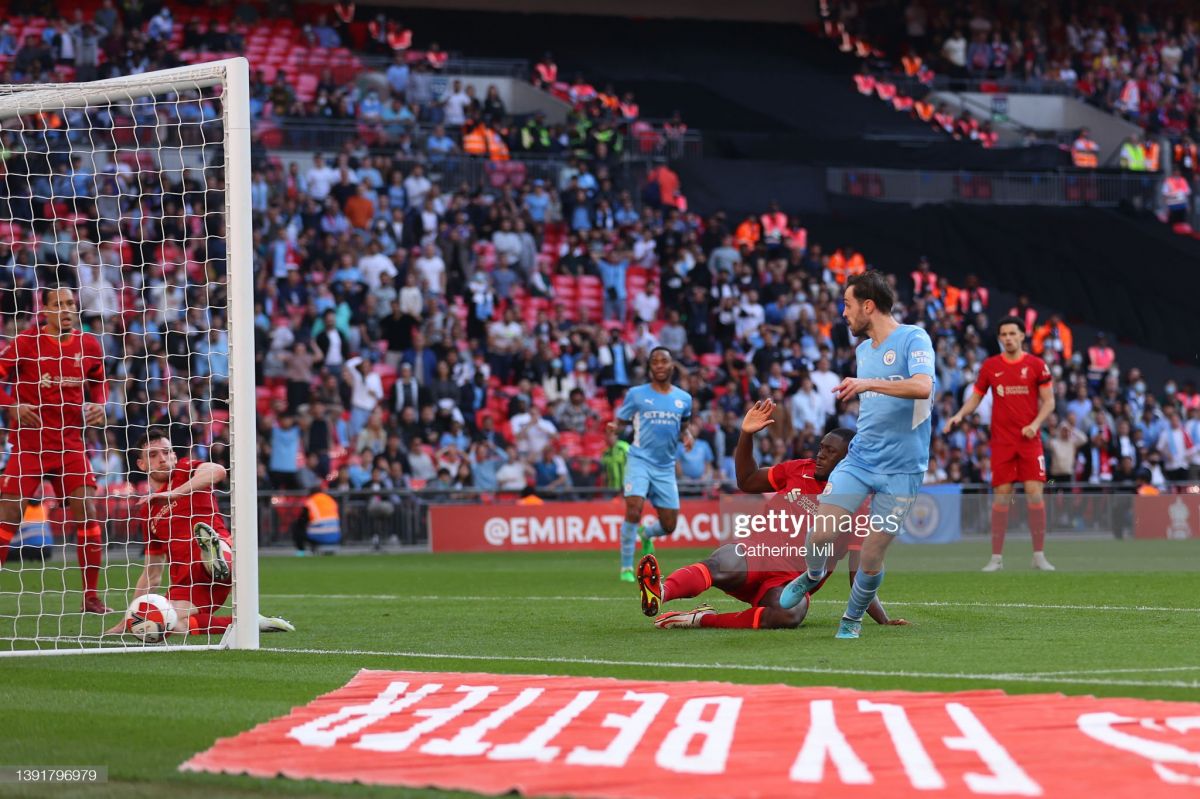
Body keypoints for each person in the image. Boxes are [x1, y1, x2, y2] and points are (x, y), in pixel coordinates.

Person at [639, 402, 905, 629]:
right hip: (755, 556)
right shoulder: (798, 469)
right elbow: (747, 480)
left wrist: (883, 620)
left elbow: (858, 572)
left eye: (830, 451)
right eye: (821, 448)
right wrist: (746, 435)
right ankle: (661, 592)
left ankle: (699, 620)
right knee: (725, 559)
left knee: (790, 615)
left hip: (791, 582)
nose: (820, 455)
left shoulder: (859, 505)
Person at [777, 270, 935, 640]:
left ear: (868, 305)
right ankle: (813, 575)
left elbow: (923, 386)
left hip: (902, 470)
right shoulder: (864, 350)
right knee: (820, 534)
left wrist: (867, 383)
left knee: (870, 555)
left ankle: (851, 619)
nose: (843, 313)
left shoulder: (914, 338)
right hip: (861, 460)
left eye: (847, 305)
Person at [107, 428, 293, 636]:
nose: (162, 459)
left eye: (167, 452)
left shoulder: (186, 470)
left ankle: (215, 555)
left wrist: (175, 492)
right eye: (153, 455)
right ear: (141, 465)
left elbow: (219, 471)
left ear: (175, 456)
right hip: (188, 583)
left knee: (216, 545)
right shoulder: (148, 510)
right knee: (165, 625)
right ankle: (251, 622)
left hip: (222, 561)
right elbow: (152, 573)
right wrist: (128, 620)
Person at [0, 287, 111, 613]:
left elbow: (100, 381)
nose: (66, 310)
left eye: (70, 304)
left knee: (88, 512)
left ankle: (90, 596)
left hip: (70, 443)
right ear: (44, 311)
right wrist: (11, 405)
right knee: (8, 514)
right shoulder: (25, 343)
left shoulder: (88, 344)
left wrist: (99, 405)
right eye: (58, 305)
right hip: (30, 445)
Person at [944, 316, 1056, 571]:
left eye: (1012, 333)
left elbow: (1049, 402)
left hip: (1030, 441)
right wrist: (959, 415)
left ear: (1022, 336)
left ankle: (1038, 555)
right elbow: (976, 397)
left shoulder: (1037, 365)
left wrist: (1035, 424)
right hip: (1003, 442)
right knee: (1001, 497)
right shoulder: (990, 366)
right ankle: (996, 558)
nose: (1007, 338)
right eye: (1003, 334)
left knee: (1034, 494)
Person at [608, 347, 693, 582]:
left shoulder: (684, 399)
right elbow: (622, 421)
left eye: (663, 361)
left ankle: (647, 534)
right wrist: (615, 428)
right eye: (654, 362)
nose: (659, 365)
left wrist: (687, 436)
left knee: (669, 525)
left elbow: (683, 426)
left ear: (671, 366)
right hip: (639, 461)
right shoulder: (636, 394)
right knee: (634, 509)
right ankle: (626, 567)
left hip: (665, 467)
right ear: (649, 368)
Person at [292, 484, 341, 556]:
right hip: (335, 535)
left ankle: (301, 551)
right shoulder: (330, 500)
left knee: (296, 526)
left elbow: (301, 520)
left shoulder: (311, 501)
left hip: (318, 535)